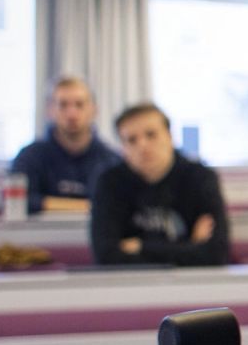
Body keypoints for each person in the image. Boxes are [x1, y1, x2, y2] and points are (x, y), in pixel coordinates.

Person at [90, 103, 231, 266]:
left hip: (192, 281)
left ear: (170, 136)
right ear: (123, 148)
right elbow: (106, 256)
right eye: (132, 140)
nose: (143, 146)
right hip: (130, 281)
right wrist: (189, 246)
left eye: (151, 135)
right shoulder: (109, 183)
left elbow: (215, 255)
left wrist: (140, 246)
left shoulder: (201, 178)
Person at [9, 75, 122, 214]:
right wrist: (89, 206)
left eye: (79, 104)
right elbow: (16, 201)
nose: (72, 114)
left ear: (94, 110)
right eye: (63, 105)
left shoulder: (112, 160)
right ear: (50, 110)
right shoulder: (29, 157)